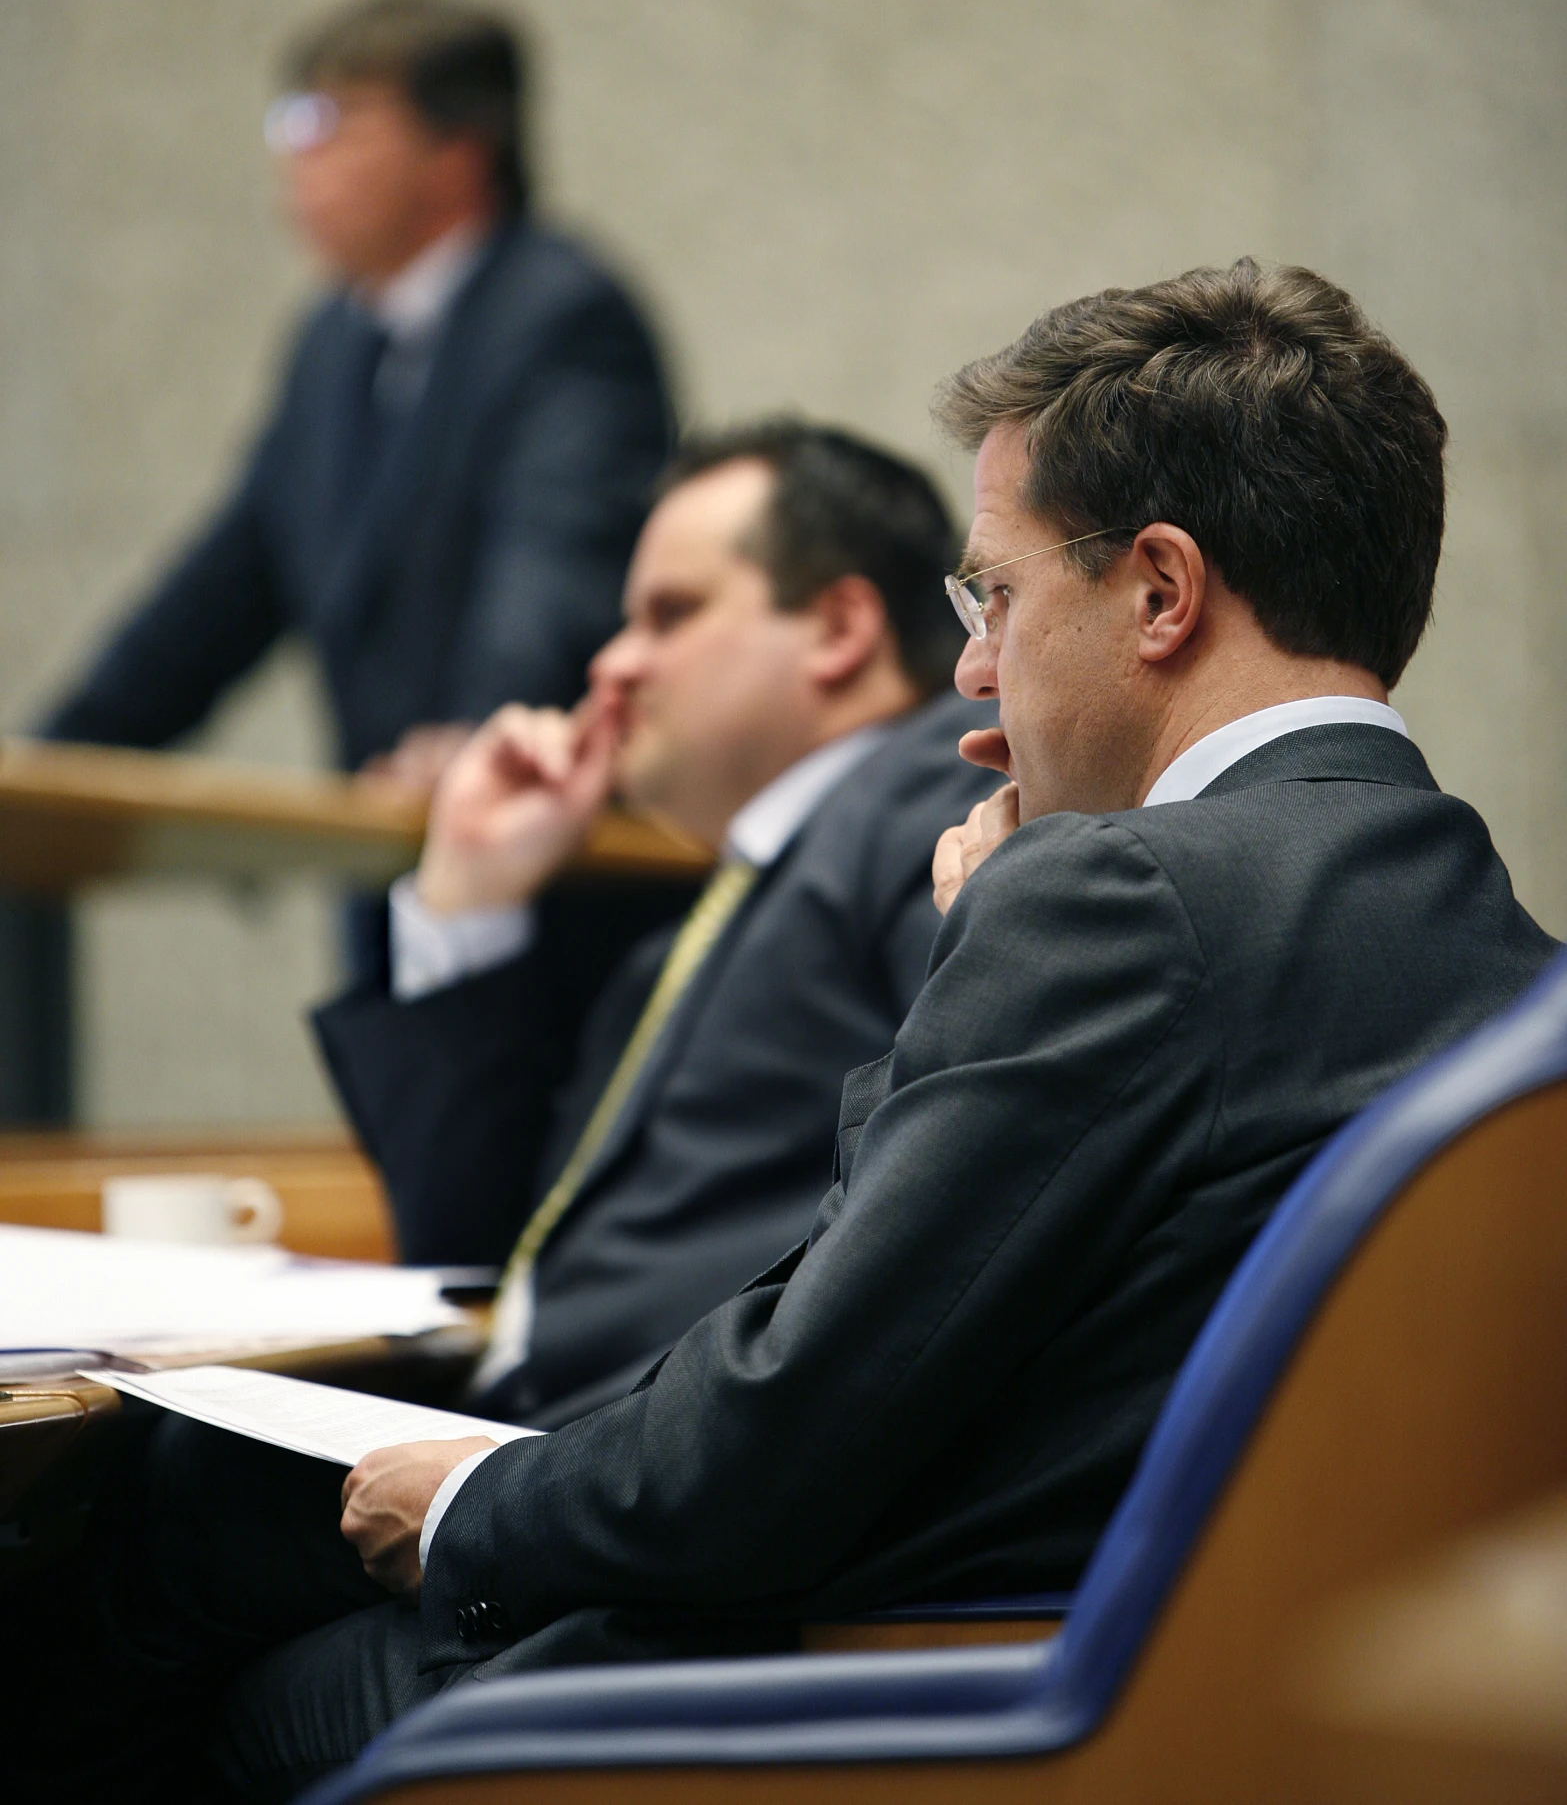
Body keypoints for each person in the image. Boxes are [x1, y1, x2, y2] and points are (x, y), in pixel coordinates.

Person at [69, 263, 1558, 1801]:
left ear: (1161, 592)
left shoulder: (1109, 896)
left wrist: (470, 1506)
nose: (971, 669)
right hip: (1210, 1689)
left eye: (994, 593)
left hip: (885, 1684)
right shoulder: (1501, 948)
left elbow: (785, 1423)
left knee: (191, 1668)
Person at [311, 420, 997, 1427]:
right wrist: (471, 898)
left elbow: (955, 1218)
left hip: (653, 1469)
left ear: (840, 627)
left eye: (669, 614)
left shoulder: (939, 805)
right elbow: (475, 1251)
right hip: (542, 1426)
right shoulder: (729, 898)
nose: (612, 663)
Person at [30, 0, 675, 1011]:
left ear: (457, 150)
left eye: (329, 120)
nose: (295, 154)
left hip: (542, 876)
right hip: (385, 864)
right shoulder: (334, 342)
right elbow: (222, 588)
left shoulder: (562, 312)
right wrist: (50, 763)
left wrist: (479, 725)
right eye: (289, 119)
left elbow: (558, 560)